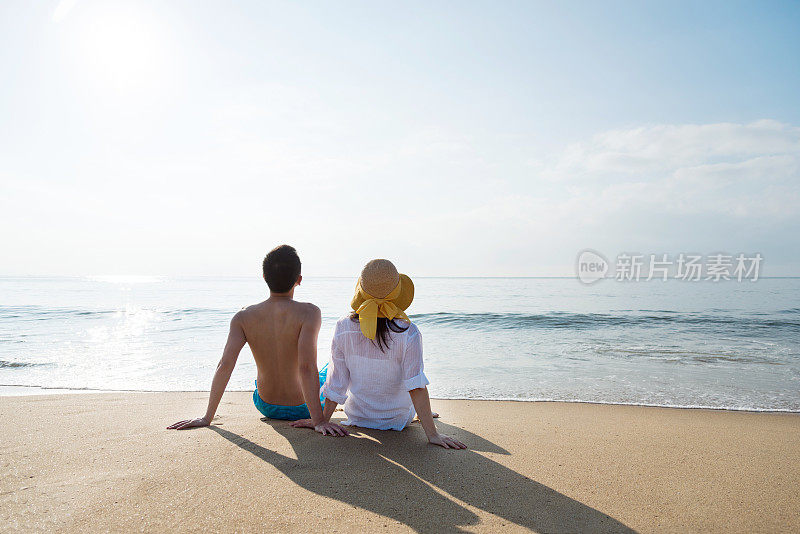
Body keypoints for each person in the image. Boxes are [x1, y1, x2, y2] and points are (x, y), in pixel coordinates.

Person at [168, 245, 348, 437]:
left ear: (264, 277)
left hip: (265, 405)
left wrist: (207, 417)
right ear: (299, 280)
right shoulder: (310, 312)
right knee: (330, 366)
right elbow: (306, 367)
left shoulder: (243, 317)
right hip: (303, 408)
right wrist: (318, 421)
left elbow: (225, 365)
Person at [291, 259, 466, 449]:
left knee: (331, 369)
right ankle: (421, 415)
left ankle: (419, 414)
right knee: (413, 376)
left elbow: (337, 382)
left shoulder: (343, 326)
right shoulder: (409, 332)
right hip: (398, 420)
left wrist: (322, 421)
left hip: (358, 416)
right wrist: (433, 434)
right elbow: (416, 386)